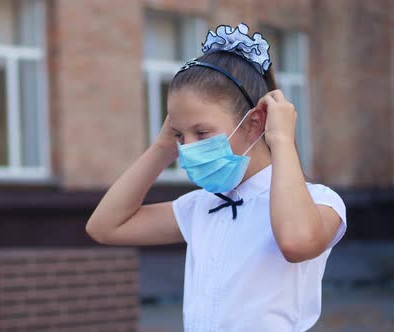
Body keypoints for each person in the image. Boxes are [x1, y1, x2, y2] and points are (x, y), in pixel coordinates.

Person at [85, 23, 347, 331]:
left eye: (202, 132)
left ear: (254, 124)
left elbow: (296, 241)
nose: (188, 147)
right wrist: (161, 148)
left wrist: (281, 141)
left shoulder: (320, 201)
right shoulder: (201, 206)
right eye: (180, 135)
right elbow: (104, 227)